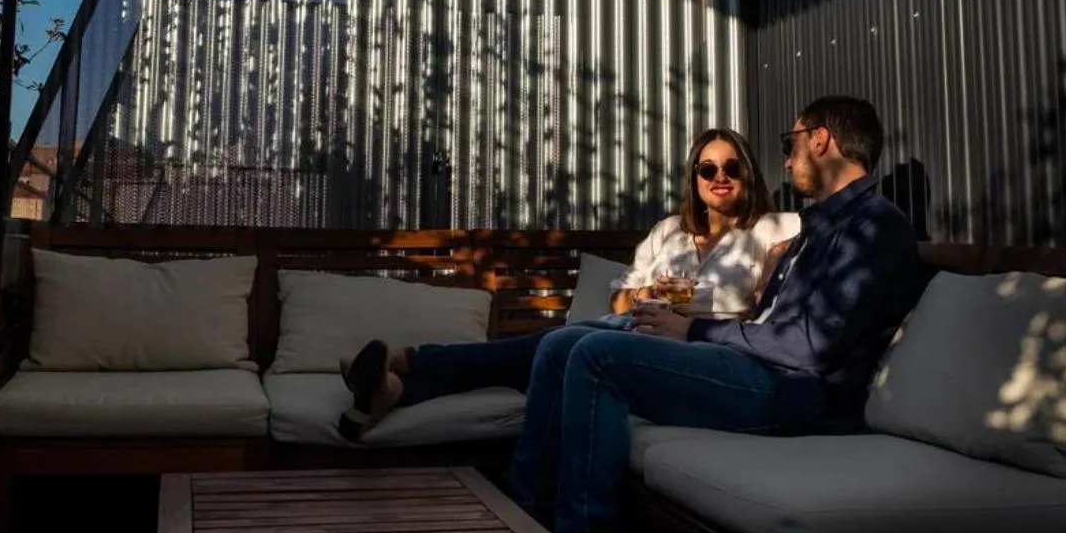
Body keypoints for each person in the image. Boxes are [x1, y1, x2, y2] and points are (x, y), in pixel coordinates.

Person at [481, 95, 926, 533]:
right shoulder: (818, 226)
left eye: (790, 143)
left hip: (796, 395)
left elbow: (812, 347)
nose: (786, 159)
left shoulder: (873, 227)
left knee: (596, 357)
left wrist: (695, 331)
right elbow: (779, 319)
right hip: (755, 368)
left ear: (821, 140)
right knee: (561, 346)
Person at [337, 127, 798, 441]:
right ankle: (394, 390)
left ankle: (406, 361)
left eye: (732, 167)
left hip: (694, 351)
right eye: (708, 169)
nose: (721, 177)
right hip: (631, 330)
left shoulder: (773, 228)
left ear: (749, 173)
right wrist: (647, 294)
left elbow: (788, 281)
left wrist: (770, 266)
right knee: (535, 357)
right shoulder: (669, 231)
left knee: (550, 345)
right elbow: (618, 298)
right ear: (694, 178)